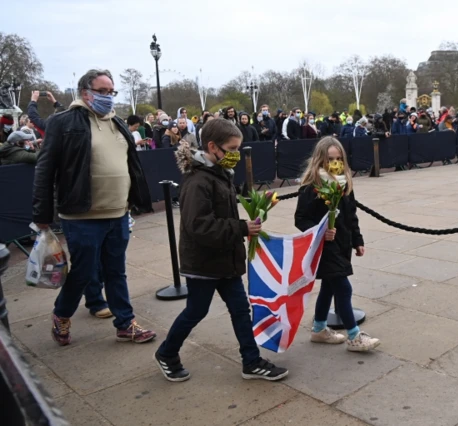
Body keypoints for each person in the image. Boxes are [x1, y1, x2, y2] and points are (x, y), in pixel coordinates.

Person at [154, 119, 288, 382]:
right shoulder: (198, 181)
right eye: (231, 149)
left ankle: (251, 361)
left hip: (225, 259)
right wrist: (241, 229)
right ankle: (167, 353)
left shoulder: (219, 174)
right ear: (212, 147)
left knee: (240, 309)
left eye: (239, 148)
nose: (235, 155)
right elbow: (198, 226)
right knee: (196, 310)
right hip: (203, 262)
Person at [33, 69, 155, 346]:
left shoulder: (118, 123)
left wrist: (136, 201)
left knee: (115, 270)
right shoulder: (63, 122)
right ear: (85, 92)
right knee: (84, 272)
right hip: (81, 214)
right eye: (102, 92)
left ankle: (125, 323)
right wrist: (41, 214)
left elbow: (130, 165)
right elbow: (44, 169)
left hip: (117, 212)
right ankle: (61, 314)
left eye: (111, 92)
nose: (108, 97)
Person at [295, 137, 380, 351]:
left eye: (339, 158)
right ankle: (354, 336)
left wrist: (357, 240)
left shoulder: (344, 183)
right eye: (330, 159)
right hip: (324, 247)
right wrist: (321, 231)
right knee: (343, 287)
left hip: (341, 243)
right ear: (320, 160)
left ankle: (319, 329)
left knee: (329, 287)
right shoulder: (311, 187)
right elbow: (301, 219)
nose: (335, 163)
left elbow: (351, 216)